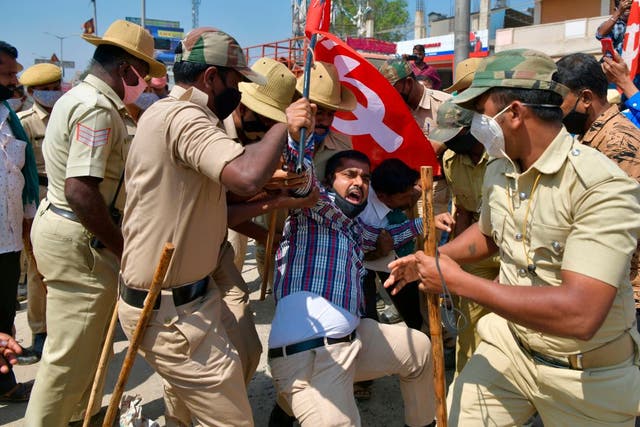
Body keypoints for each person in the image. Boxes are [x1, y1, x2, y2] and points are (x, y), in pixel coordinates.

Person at [386, 48, 640, 426]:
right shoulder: (501, 169)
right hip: (513, 347)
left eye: (483, 114)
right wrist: (439, 259)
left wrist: (458, 282)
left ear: (516, 113)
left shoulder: (600, 185)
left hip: (586, 373)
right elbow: (489, 234)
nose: (476, 126)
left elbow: (581, 314)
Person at [117, 27, 312, 427]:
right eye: (237, 80)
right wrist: (284, 125)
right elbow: (243, 177)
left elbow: (216, 203)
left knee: (239, 359)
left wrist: (277, 200)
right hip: (172, 311)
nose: (240, 90)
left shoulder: (177, 113)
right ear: (211, 77)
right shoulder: (185, 118)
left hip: (193, 297)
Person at [25, 20, 166, 426]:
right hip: (82, 240)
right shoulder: (96, 109)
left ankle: (75, 417)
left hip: (76, 233)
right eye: (142, 74)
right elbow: (81, 191)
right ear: (126, 70)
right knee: (68, 358)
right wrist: (125, 249)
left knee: (87, 348)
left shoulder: (89, 100)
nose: (143, 83)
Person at [269, 127, 449, 426]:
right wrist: (298, 133)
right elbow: (300, 172)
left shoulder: (352, 228)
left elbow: (386, 235)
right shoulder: (313, 205)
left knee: (418, 350)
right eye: (349, 175)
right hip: (313, 356)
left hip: (353, 340)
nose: (359, 182)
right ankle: (288, 403)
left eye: (365, 178)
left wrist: (427, 222)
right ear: (328, 181)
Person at [555, 52, 640, 340]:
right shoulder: (590, 136)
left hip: (627, 288)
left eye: (562, 103)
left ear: (587, 98)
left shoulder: (617, 143)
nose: (558, 112)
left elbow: (622, 226)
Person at [431, 100, 499, 375]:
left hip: (512, 250)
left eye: (454, 137)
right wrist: (455, 262)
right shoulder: (451, 161)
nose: (448, 144)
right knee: (470, 330)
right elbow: (462, 212)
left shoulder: (502, 157)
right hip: (477, 248)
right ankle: (468, 380)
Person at [15, 62, 63, 365]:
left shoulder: (69, 113)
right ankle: (40, 331)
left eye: (55, 88)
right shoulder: (24, 121)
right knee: (37, 270)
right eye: (45, 91)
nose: (52, 94)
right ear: (32, 93)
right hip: (39, 199)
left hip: (70, 196)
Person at [0, 40, 38, 403]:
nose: (15, 79)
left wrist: (27, 225)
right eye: (8, 72)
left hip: (7, 238)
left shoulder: (7, 119)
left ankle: (5, 384)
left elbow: (19, 176)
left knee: (4, 317)